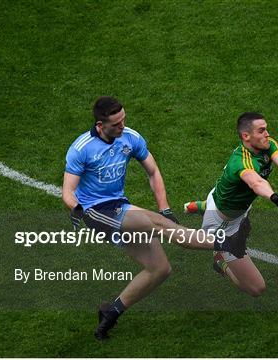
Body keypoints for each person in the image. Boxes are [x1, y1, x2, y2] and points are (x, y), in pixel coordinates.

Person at [62, 96, 217, 340]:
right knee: (157, 224)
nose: (122, 127)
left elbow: (153, 171)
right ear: (100, 125)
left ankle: (110, 313)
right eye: (116, 124)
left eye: (123, 120)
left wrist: (165, 207)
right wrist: (78, 209)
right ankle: (226, 242)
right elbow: (68, 191)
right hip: (97, 213)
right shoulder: (81, 148)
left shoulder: (129, 137)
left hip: (119, 205)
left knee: (160, 269)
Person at [184, 112, 278, 297]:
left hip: (232, 202)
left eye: (266, 129)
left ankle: (205, 205)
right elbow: (256, 183)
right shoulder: (242, 162)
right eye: (261, 130)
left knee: (234, 205)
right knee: (256, 288)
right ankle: (219, 259)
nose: (267, 134)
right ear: (246, 136)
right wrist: (274, 197)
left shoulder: (265, 144)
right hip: (224, 224)